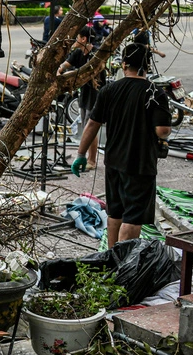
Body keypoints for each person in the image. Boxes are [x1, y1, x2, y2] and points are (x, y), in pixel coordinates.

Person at [72, 43, 171, 247]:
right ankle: (124, 265)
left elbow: (92, 123)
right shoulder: (155, 92)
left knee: (115, 212)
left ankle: (111, 259)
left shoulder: (109, 90)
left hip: (114, 161)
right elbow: (162, 130)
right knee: (133, 216)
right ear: (147, 65)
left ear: (124, 64)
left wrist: (81, 154)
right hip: (141, 164)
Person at [58, 27, 100, 162]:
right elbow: (64, 66)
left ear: (84, 39)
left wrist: (68, 75)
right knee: (85, 125)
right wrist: (59, 72)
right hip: (84, 94)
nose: (75, 40)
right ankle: (87, 157)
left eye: (77, 37)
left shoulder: (95, 55)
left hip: (95, 94)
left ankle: (92, 160)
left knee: (90, 126)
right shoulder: (77, 53)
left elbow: (85, 73)